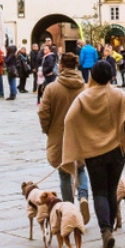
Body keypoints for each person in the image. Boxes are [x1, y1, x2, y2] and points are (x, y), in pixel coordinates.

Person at [61, 62, 125, 248]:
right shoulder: (118, 95)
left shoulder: (84, 97)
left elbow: (69, 120)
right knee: (112, 189)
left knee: (99, 191)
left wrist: (80, 140)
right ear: (111, 76)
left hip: (94, 151)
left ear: (93, 76)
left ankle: (106, 231)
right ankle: (109, 232)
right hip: (117, 150)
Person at [38, 53, 91, 224]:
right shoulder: (84, 87)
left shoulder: (52, 88)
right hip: (80, 135)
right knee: (81, 168)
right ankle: (83, 196)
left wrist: (48, 130)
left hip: (59, 135)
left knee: (64, 173)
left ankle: (70, 208)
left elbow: (43, 113)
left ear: (61, 65)